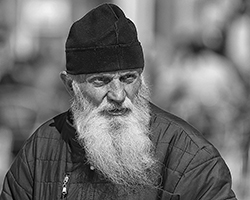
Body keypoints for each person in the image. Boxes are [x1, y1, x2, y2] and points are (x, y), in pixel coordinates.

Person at [0, 3, 237, 200]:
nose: (118, 95)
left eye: (128, 78)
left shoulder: (191, 160)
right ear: (70, 85)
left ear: (142, 79)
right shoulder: (40, 151)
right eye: (100, 81)